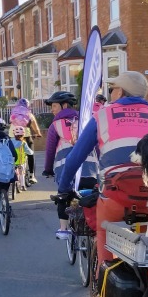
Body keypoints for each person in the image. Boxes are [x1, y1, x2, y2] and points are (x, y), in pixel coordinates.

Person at [57, 71, 148, 266]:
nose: (111, 93)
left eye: (113, 89)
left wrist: (64, 188)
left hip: (115, 197)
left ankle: (104, 278)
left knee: (104, 231)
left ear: (121, 92)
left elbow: (74, 158)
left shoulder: (102, 116)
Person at [43, 91, 98, 239]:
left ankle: (64, 229)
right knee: (94, 197)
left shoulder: (56, 125)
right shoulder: (87, 121)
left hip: (67, 172)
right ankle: (95, 229)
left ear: (64, 105)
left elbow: (49, 151)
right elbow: (98, 146)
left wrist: (48, 169)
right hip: (91, 171)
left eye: (54, 106)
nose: (52, 110)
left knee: (63, 196)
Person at [9, 98, 42, 184]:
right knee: (30, 153)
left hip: (12, 135)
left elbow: (10, 122)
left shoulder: (14, 112)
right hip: (25, 136)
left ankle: (8, 172)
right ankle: (31, 175)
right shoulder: (29, 114)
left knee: (10, 153)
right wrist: (38, 133)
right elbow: (35, 127)